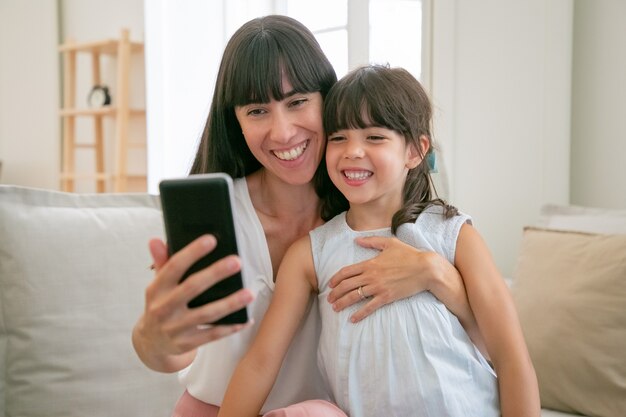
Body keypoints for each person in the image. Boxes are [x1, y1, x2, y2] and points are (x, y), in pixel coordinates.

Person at [132, 16, 483, 416]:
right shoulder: (216, 216)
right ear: (237, 122)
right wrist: (154, 337)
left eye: (297, 102)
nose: (282, 133)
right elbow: (174, 352)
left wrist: (435, 273)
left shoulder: (372, 214)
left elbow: (480, 347)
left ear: (327, 100)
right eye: (257, 110)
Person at [216, 65, 541, 417]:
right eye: (339, 137)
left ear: (415, 151)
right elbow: (261, 362)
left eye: (374, 137)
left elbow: (511, 358)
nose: (353, 151)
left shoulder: (453, 236)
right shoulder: (312, 253)